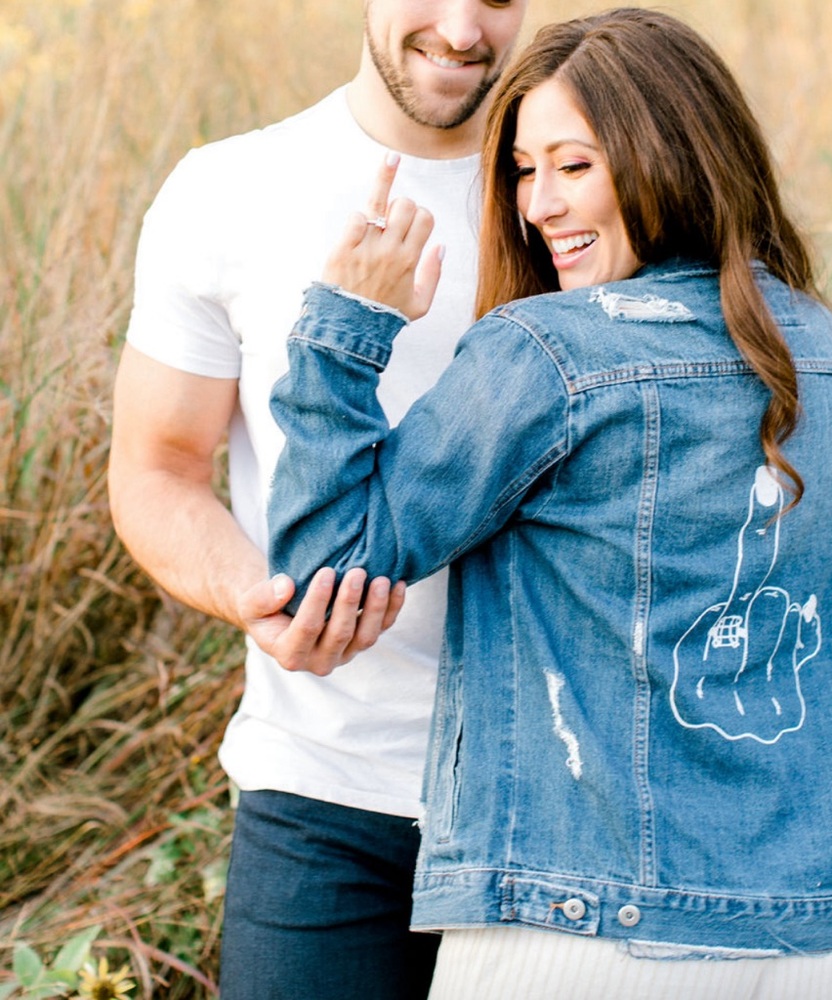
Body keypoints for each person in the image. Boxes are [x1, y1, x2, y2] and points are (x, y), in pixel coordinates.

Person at [266, 8, 832, 999]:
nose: (536, 205)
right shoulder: (827, 355)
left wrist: (348, 320)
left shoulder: (549, 354)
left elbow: (321, 572)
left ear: (667, 155)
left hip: (581, 930)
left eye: (574, 164)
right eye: (522, 169)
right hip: (806, 940)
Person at [107, 1, 528, 997]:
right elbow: (157, 466)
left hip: (547, 810)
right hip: (320, 800)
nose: (465, 29)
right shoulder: (229, 188)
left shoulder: (573, 193)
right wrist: (251, 590)